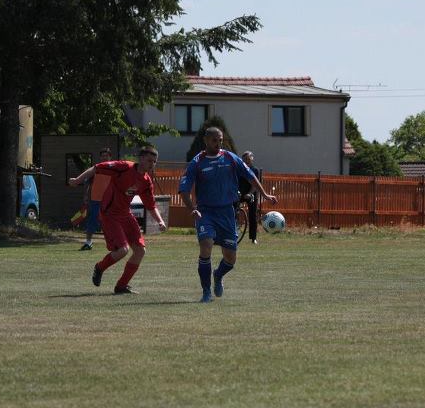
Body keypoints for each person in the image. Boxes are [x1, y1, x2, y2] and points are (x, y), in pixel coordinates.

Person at [179, 127, 278, 303]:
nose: (218, 144)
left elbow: (251, 177)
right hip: (206, 212)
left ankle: (218, 275)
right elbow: (184, 189)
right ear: (206, 140)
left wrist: (264, 195)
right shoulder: (197, 162)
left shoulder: (230, 158)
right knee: (206, 246)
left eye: (220, 140)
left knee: (230, 258)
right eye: (214, 140)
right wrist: (191, 208)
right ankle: (206, 292)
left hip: (227, 212)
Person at [69, 146, 166, 294]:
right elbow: (96, 168)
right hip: (110, 214)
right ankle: (100, 267)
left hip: (125, 214)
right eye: (149, 160)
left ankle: (121, 286)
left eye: (154, 162)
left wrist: (160, 221)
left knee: (140, 251)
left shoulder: (146, 181)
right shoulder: (123, 167)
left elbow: (151, 205)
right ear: (141, 159)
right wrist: (77, 180)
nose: (152, 164)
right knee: (123, 250)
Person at [80, 147, 113, 250]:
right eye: (102, 156)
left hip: (110, 201)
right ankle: (88, 242)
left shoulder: (114, 169)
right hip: (96, 200)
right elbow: (87, 182)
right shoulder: (96, 169)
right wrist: (85, 195)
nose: (104, 158)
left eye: (106, 156)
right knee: (92, 221)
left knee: (111, 222)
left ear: (110, 157)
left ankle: (115, 243)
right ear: (100, 157)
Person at [238, 150, 261, 244]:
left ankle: (253, 238)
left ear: (252, 159)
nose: (247, 161)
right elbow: (236, 182)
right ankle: (233, 232)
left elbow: (255, 184)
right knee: (232, 211)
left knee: (252, 216)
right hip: (240, 193)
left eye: (248, 159)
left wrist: (250, 194)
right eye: (245, 159)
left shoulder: (255, 170)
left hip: (251, 194)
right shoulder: (239, 169)